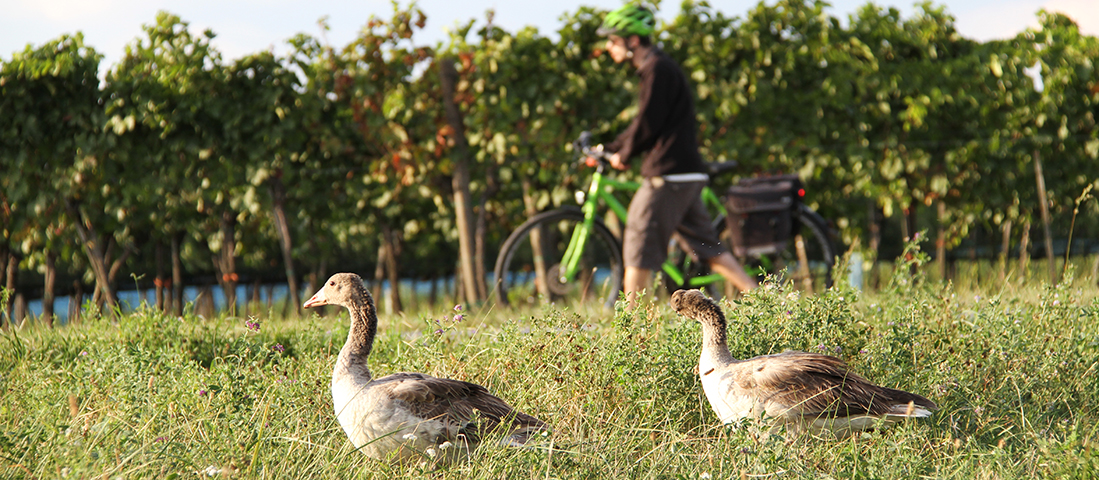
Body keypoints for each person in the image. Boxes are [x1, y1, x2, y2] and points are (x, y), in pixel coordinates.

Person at [597, 4, 757, 302]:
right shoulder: (657, 68)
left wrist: (625, 154)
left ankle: (634, 332)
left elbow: (648, 124)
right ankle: (766, 303)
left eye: (613, 40)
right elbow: (643, 122)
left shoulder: (657, 69)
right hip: (686, 172)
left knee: (638, 243)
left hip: (668, 175)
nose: (608, 47)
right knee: (708, 249)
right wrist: (612, 148)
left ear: (632, 41)